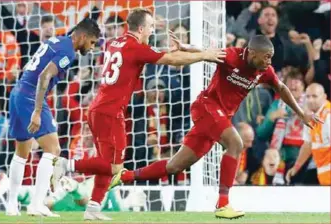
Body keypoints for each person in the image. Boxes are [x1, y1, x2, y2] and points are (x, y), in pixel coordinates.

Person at [108, 35, 322, 219]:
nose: (269, 61)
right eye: (266, 56)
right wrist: (185, 48)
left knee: (175, 166)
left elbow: (281, 87)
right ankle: (223, 204)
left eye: (271, 57)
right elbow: (207, 52)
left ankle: (125, 176)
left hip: (217, 119)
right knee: (236, 144)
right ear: (251, 53)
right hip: (206, 107)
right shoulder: (232, 56)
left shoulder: (264, 71)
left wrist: (301, 113)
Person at [53, 8, 225, 221]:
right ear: (141, 28)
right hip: (110, 112)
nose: (153, 31)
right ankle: (67, 165)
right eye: (151, 27)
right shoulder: (135, 47)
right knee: (115, 168)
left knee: (106, 163)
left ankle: (93, 209)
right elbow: (172, 60)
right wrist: (205, 55)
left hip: (98, 109)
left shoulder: (115, 43)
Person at [7, 18, 100, 217]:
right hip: (31, 96)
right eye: (92, 42)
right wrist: (38, 111)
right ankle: (37, 204)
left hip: (18, 91)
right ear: (82, 36)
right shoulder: (68, 51)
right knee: (53, 149)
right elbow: (44, 76)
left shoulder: (56, 41)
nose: (92, 48)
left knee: (22, 150)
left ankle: (11, 205)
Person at [286, 83, 330, 186]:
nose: (310, 100)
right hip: (323, 173)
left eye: (314, 96)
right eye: (308, 96)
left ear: (324, 97)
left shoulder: (328, 116)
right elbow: (308, 145)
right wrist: (296, 167)